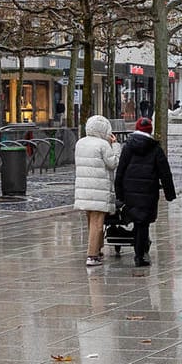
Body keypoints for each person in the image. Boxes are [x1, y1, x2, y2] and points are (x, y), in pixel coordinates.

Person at [113, 116, 177, 268]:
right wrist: (170, 194)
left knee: (137, 221)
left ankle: (140, 251)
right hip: (148, 192)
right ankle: (140, 255)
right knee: (143, 223)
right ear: (151, 130)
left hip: (130, 192)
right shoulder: (155, 149)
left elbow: (120, 171)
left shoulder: (127, 147)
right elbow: (165, 173)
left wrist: (119, 194)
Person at [73, 114, 120, 268]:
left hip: (84, 189)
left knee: (90, 221)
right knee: (98, 223)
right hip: (99, 190)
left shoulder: (80, 143)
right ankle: (92, 256)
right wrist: (116, 146)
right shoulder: (103, 145)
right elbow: (113, 163)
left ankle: (97, 249)